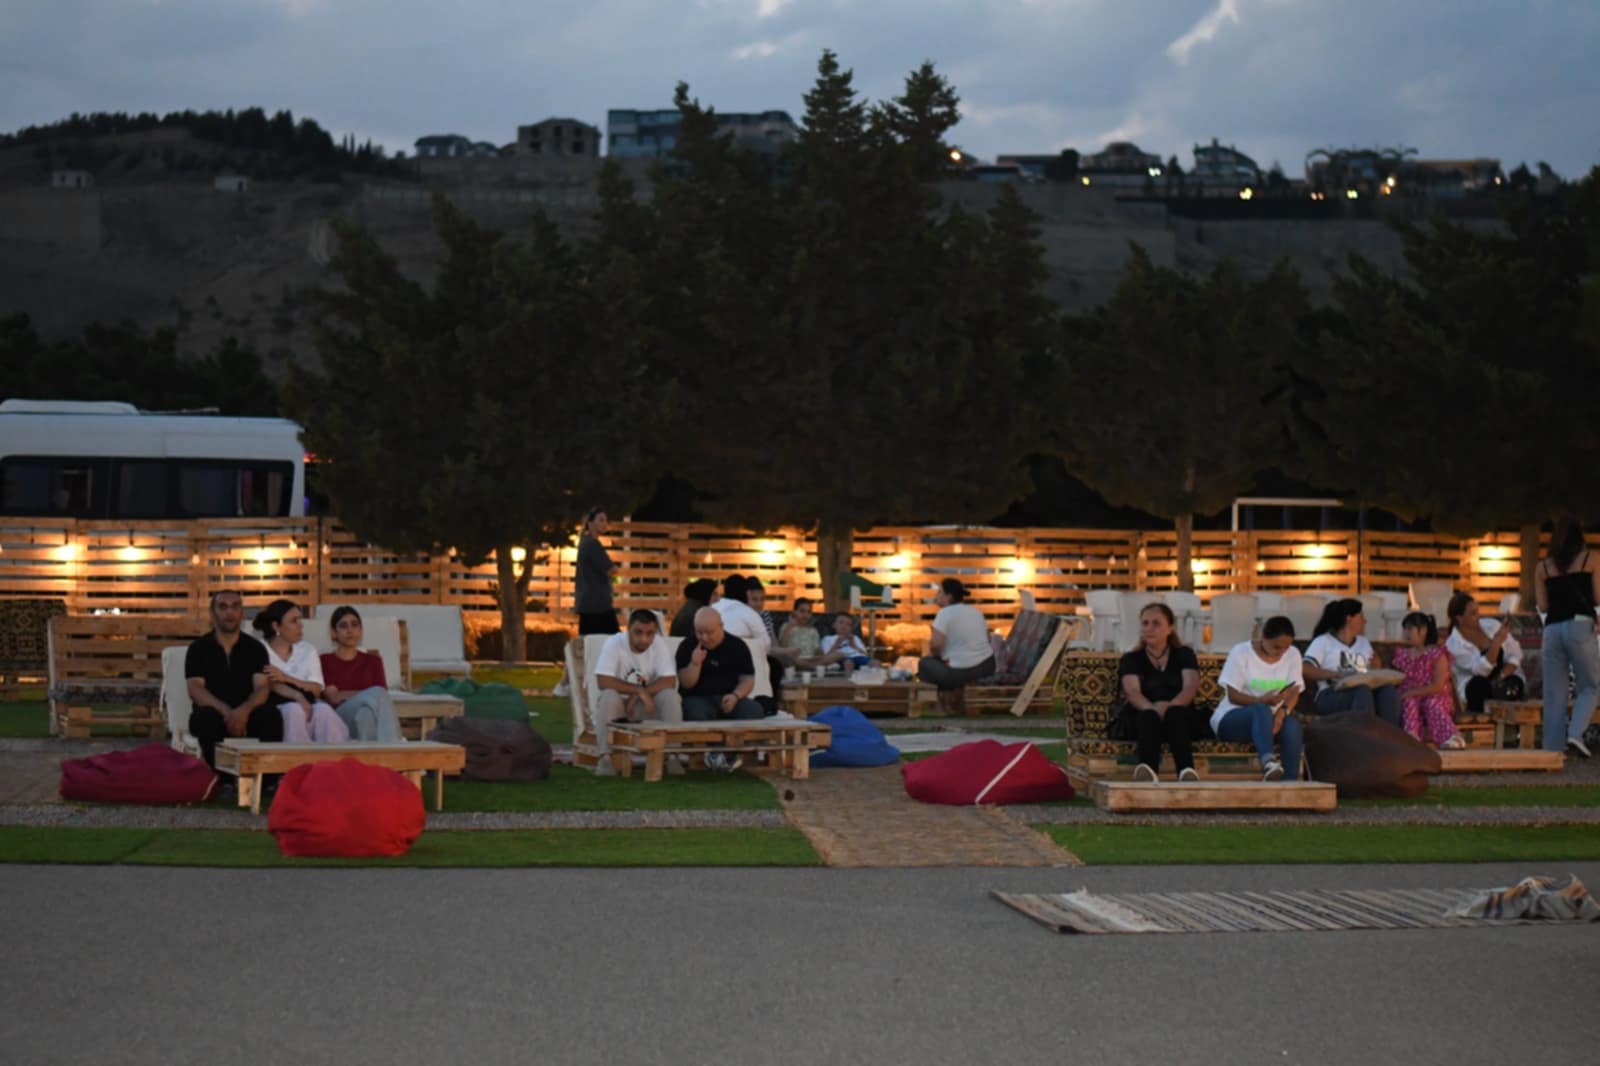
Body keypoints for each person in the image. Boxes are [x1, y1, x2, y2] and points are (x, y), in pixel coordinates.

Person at [184, 589, 280, 770]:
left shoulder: (255, 648)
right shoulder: (198, 648)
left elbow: (262, 688)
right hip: (214, 714)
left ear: (242, 614)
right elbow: (195, 689)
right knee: (205, 718)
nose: (230, 612)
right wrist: (228, 713)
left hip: (248, 714)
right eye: (223, 607)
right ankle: (222, 779)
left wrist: (243, 712)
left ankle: (267, 779)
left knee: (271, 716)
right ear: (212, 614)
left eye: (235, 607)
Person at [1534, 513, 1600, 758]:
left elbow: (1542, 606)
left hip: (1552, 630)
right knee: (1591, 686)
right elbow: (1598, 598)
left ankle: (1551, 750)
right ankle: (1575, 732)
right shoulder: (1591, 559)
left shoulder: (1542, 567)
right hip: (1580, 626)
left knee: (1554, 692)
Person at [1211, 616, 1305, 781]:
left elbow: (1294, 690)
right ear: (1263, 637)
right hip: (1234, 718)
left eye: (1286, 647)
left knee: (1292, 726)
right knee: (1261, 710)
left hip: (1272, 720)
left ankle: (1290, 782)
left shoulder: (1293, 654)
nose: (1281, 652)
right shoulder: (1241, 652)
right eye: (1276, 647)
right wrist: (1262, 700)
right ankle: (1268, 762)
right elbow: (1233, 696)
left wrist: (1282, 713)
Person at [591, 609, 684, 776]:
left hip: (647, 708)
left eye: (650, 633)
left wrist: (641, 694)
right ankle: (605, 758)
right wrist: (638, 690)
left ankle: (672, 756)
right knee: (608, 695)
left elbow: (670, 680)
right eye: (638, 632)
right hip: (620, 709)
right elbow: (603, 680)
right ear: (628, 629)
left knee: (671, 696)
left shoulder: (659, 644)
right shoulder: (614, 643)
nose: (644, 639)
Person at [1116, 603, 1201, 783]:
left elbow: (1190, 687)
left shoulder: (1184, 654)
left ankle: (1186, 771)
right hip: (1143, 714)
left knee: (1176, 715)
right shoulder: (1132, 659)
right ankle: (1148, 771)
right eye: (1145, 623)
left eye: (1156, 623)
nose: (1149, 629)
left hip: (1179, 712)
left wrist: (1169, 706)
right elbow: (1132, 692)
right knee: (1148, 717)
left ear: (1170, 628)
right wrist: (1153, 708)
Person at [675, 607, 763, 771]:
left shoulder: (737, 646)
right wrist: (695, 664)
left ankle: (731, 752)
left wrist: (736, 696)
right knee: (695, 712)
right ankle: (715, 752)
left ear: (721, 626)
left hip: (729, 697)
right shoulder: (687, 646)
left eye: (709, 632)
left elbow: (748, 679)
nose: (704, 637)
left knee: (754, 710)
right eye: (699, 633)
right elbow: (686, 683)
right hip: (698, 698)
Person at [253, 599, 349, 744]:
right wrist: (297, 695)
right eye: (294, 621)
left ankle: (336, 762)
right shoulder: (259, 649)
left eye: (300, 619)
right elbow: (267, 684)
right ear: (276, 626)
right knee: (294, 711)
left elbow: (316, 689)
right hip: (276, 706)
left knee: (324, 711)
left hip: (309, 702)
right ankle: (298, 763)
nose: (301, 624)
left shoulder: (308, 650)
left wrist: (286, 678)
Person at [1303, 598, 1402, 727]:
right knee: (1362, 691)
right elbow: (1305, 668)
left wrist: (1376, 668)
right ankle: (1363, 739)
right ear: (1349, 619)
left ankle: (1391, 739)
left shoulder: (1363, 643)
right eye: (1361, 617)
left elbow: (1369, 674)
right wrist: (1335, 674)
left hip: (1364, 690)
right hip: (1331, 694)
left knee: (1387, 690)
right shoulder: (1323, 641)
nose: (1365, 621)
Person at [318, 606, 404, 742]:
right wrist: (367, 694)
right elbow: (334, 698)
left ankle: (370, 759)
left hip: (364, 715)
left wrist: (347, 694)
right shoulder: (324, 661)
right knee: (376, 694)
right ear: (333, 633)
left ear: (361, 630)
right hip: (339, 716)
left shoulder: (373, 661)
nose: (350, 630)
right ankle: (394, 747)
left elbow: (381, 698)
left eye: (354, 625)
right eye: (343, 626)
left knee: (366, 715)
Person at [918, 578, 996, 710]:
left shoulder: (944, 613)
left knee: (925, 664)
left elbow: (936, 646)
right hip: (987, 666)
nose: (936, 596)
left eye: (939, 592)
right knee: (944, 664)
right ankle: (957, 702)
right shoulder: (976, 612)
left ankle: (939, 706)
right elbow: (988, 639)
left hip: (960, 672)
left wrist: (936, 656)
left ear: (948, 596)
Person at [1391, 611, 1465, 749]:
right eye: (1405, 629)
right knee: (1409, 701)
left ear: (1423, 630)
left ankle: (1452, 737)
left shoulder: (1437, 654)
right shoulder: (1404, 655)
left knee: (1431, 703)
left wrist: (1412, 692)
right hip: (1411, 696)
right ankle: (1411, 738)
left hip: (1435, 695)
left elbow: (1437, 685)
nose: (1406, 633)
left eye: (1410, 629)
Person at [1444, 592, 1525, 715]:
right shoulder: (1453, 645)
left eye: (1478, 611)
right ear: (1459, 618)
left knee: (1515, 683)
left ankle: (1513, 724)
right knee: (1479, 686)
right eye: (1473, 613)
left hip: (1501, 678)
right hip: (1476, 686)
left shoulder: (1491, 625)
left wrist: (1501, 676)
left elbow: (1516, 654)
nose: (1478, 616)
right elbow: (1481, 671)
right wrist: (1496, 642)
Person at [711, 574, 773, 706]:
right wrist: (747, 642)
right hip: (742, 672)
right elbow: (766, 645)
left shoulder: (712, 609)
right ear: (745, 593)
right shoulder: (748, 613)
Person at [574, 506, 619, 635]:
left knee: (590, 642)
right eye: (601, 520)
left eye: (605, 520)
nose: (605, 524)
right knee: (614, 641)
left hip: (588, 603)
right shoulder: (592, 544)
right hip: (598, 604)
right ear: (590, 523)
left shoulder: (585, 542)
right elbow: (611, 568)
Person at [778, 598, 824, 663]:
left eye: (809, 612)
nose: (805, 615)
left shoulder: (813, 631)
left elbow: (817, 650)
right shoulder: (786, 626)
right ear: (794, 612)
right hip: (793, 661)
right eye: (802, 611)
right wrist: (789, 627)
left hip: (810, 661)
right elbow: (782, 647)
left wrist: (821, 656)